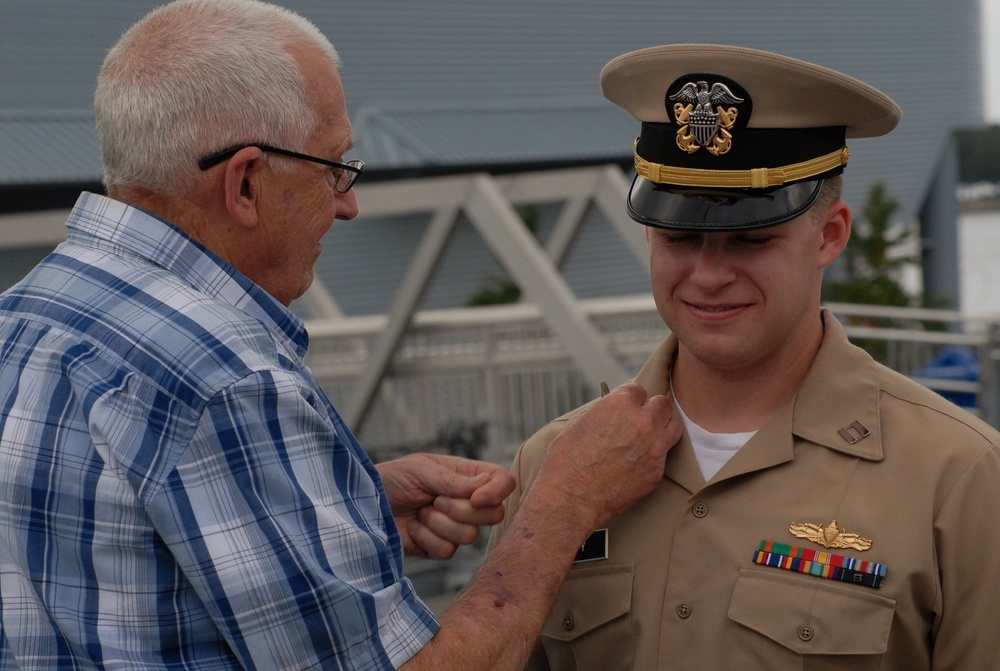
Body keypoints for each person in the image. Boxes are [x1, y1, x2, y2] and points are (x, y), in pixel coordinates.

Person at [0, 2, 681, 669]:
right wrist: (564, 505)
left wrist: (347, 498)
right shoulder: (227, 380)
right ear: (245, 184)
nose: (348, 202)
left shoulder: (26, 318)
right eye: (334, 166)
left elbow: (97, 534)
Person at [488, 44, 1000, 669]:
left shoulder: (958, 477)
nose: (708, 275)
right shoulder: (553, 465)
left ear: (830, 235)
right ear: (649, 233)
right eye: (679, 236)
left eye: (751, 239)